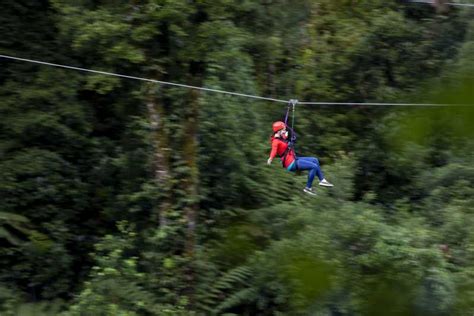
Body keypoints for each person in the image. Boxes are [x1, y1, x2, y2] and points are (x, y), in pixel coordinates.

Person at [267, 121, 333, 196]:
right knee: (313, 167)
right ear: (279, 131)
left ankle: (322, 180)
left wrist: (286, 127)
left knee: (315, 160)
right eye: (283, 129)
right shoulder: (276, 141)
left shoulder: (282, 137)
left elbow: (292, 134)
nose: (285, 131)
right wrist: (270, 158)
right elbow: (274, 150)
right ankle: (308, 188)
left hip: (294, 158)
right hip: (290, 163)